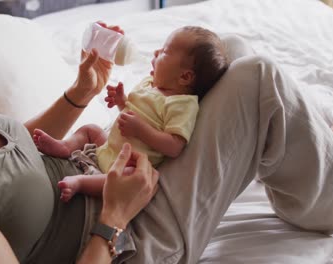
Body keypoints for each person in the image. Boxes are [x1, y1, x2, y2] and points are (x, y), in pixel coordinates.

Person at [0, 1, 333, 264]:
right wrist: (115, 217)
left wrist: (80, 91)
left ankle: (297, 137)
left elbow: (14, 150)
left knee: (221, 50)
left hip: (104, 170)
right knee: (258, 78)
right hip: (126, 237)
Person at [33, 26, 228, 202]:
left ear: (185, 76)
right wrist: (121, 102)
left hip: (127, 163)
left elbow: (175, 146)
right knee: (90, 130)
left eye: (165, 52)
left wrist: (141, 130)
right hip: (108, 149)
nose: (156, 52)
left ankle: (81, 183)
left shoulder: (182, 104)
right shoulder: (149, 85)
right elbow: (134, 112)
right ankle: (65, 147)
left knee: (131, 176)